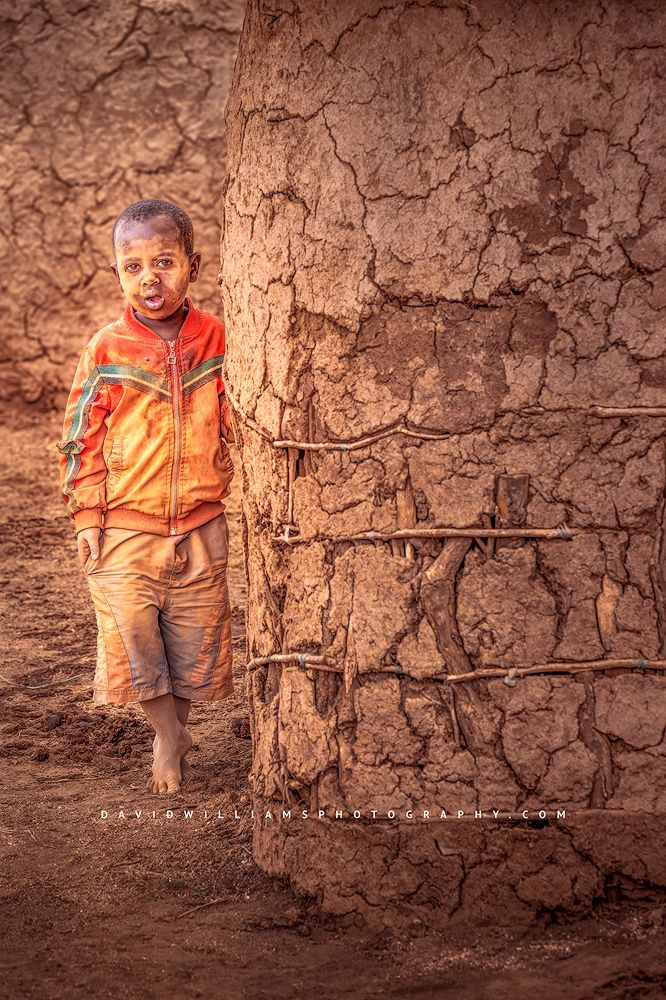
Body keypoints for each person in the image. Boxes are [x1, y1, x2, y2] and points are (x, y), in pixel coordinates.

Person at [58, 198, 236, 795]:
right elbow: (81, 435)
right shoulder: (108, 348)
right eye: (133, 266)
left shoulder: (218, 338)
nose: (149, 277)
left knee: (192, 644)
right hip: (123, 528)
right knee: (134, 642)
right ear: (117, 274)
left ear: (193, 263)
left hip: (201, 524)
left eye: (164, 261)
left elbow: (238, 417)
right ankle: (167, 736)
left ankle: (176, 730)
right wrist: (87, 515)